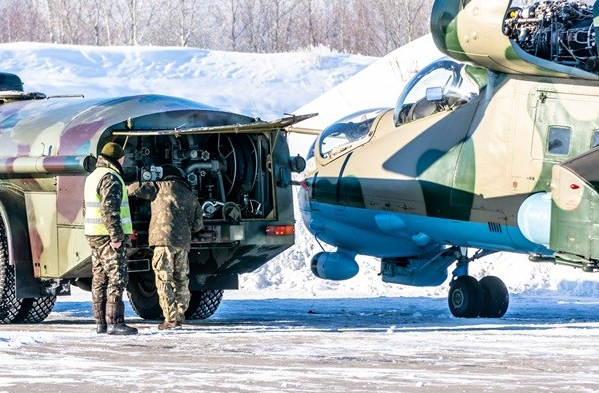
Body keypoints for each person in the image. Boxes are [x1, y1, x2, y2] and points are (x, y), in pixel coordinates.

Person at [128, 165, 203, 330]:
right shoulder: (191, 196)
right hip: (182, 245)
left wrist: (124, 185)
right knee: (181, 280)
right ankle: (179, 315)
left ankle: (170, 318)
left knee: (164, 280)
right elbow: (198, 225)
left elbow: (135, 189)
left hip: (163, 243)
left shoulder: (159, 187)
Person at [84, 142, 138, 335]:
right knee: (117, 277)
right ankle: (115, 322)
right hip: (108, 236)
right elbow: (110, 210)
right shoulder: (111, 177)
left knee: (99, 277)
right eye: (123, 158)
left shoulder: (93, 176)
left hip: (93, 234)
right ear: (117, 158)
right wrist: (116, 236)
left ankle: (100, 323)